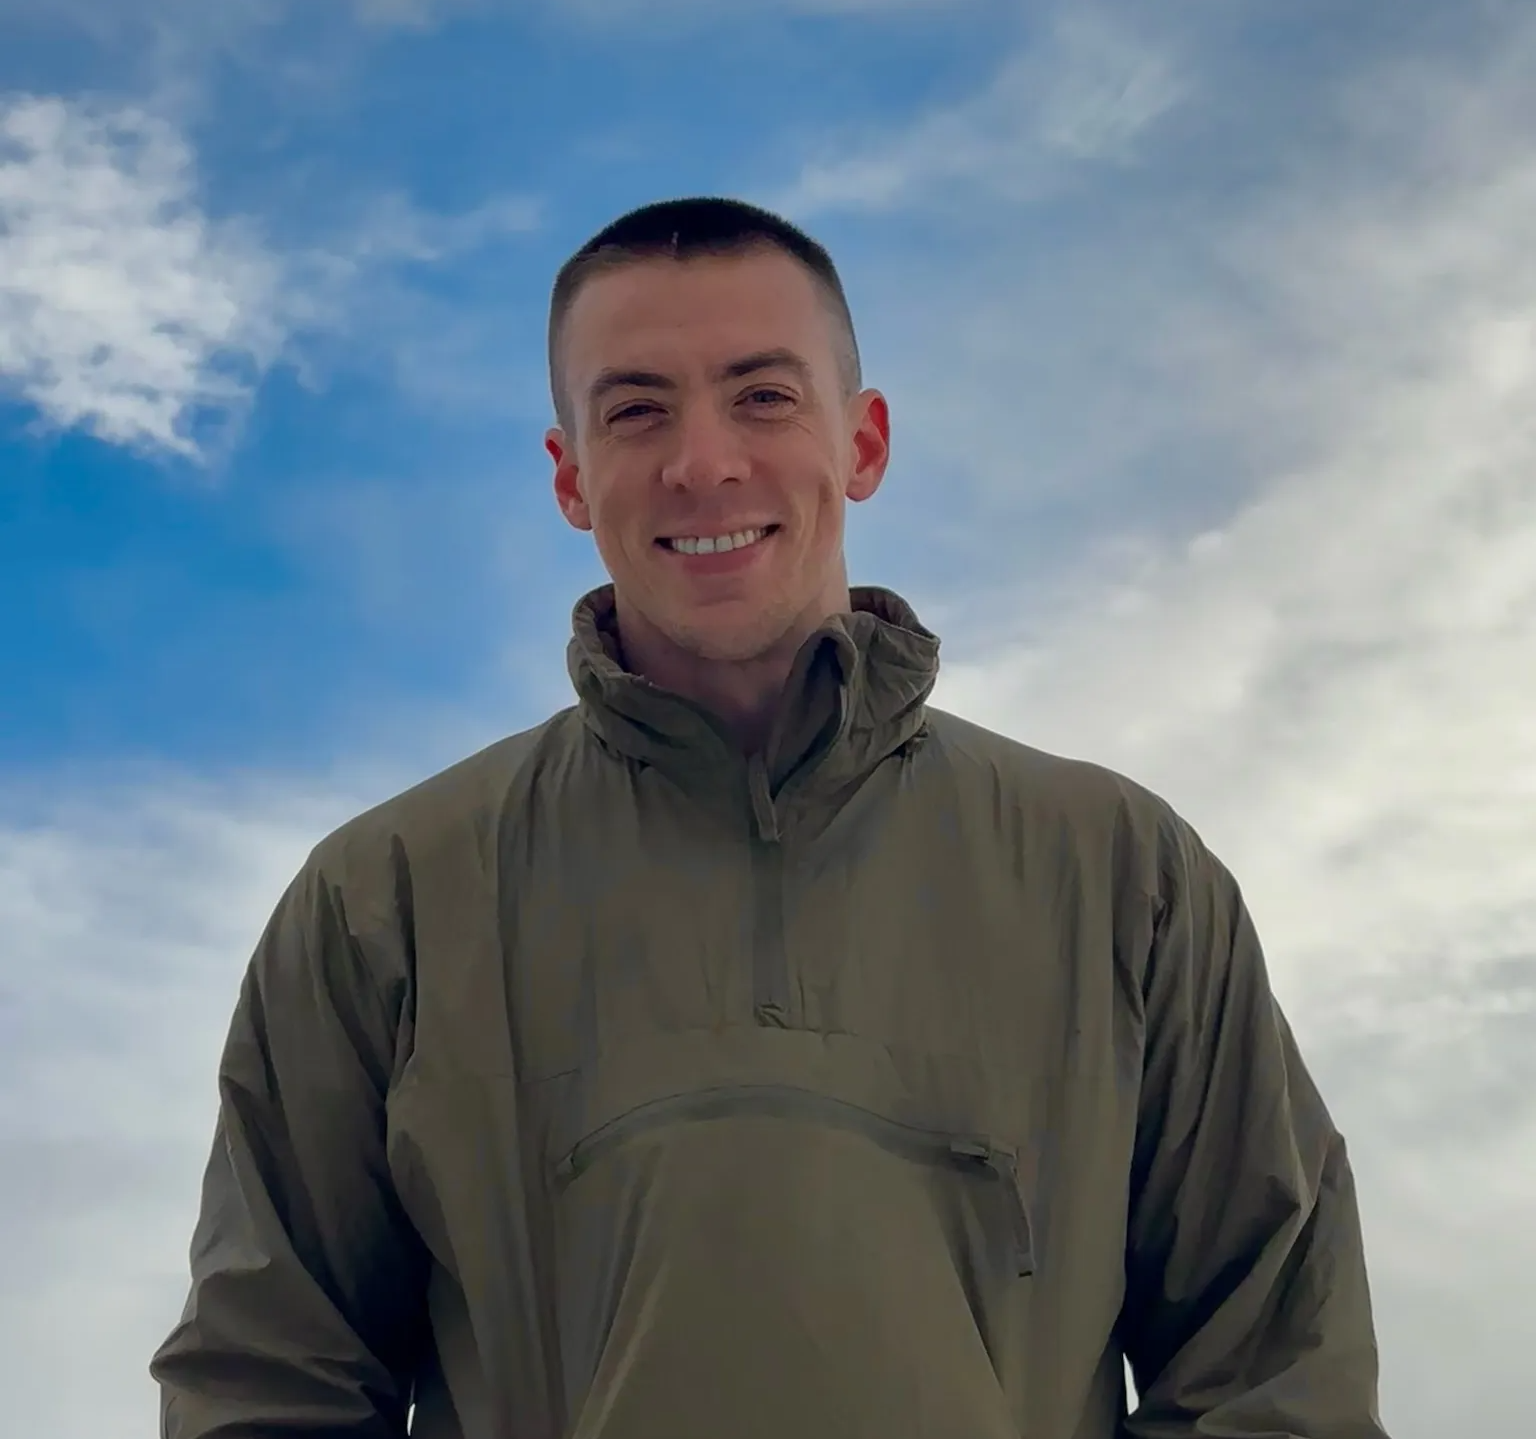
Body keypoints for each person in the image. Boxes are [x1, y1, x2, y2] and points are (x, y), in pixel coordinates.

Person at [151, 196, 1390, 1439]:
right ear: (571, 475)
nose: (705, 462)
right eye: (637, 409)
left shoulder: (1124, 875)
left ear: (863, 442)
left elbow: (1275, 1366)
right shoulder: (387, 901)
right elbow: (270, 1382)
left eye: (762, 396)